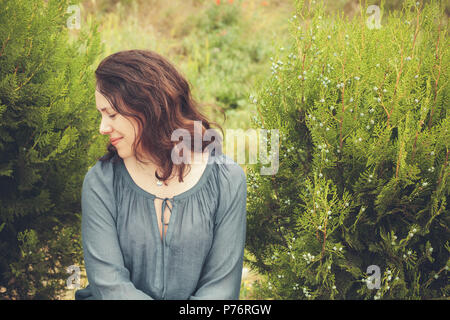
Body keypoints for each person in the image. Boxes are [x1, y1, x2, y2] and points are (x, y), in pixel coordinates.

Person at [74, 50, 247, 300]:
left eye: (111, 114)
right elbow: (110, 286)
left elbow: (221, 289)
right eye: (101, 115)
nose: (103, 128)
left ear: (149, 108)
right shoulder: (101, 182)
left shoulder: (227, 179)